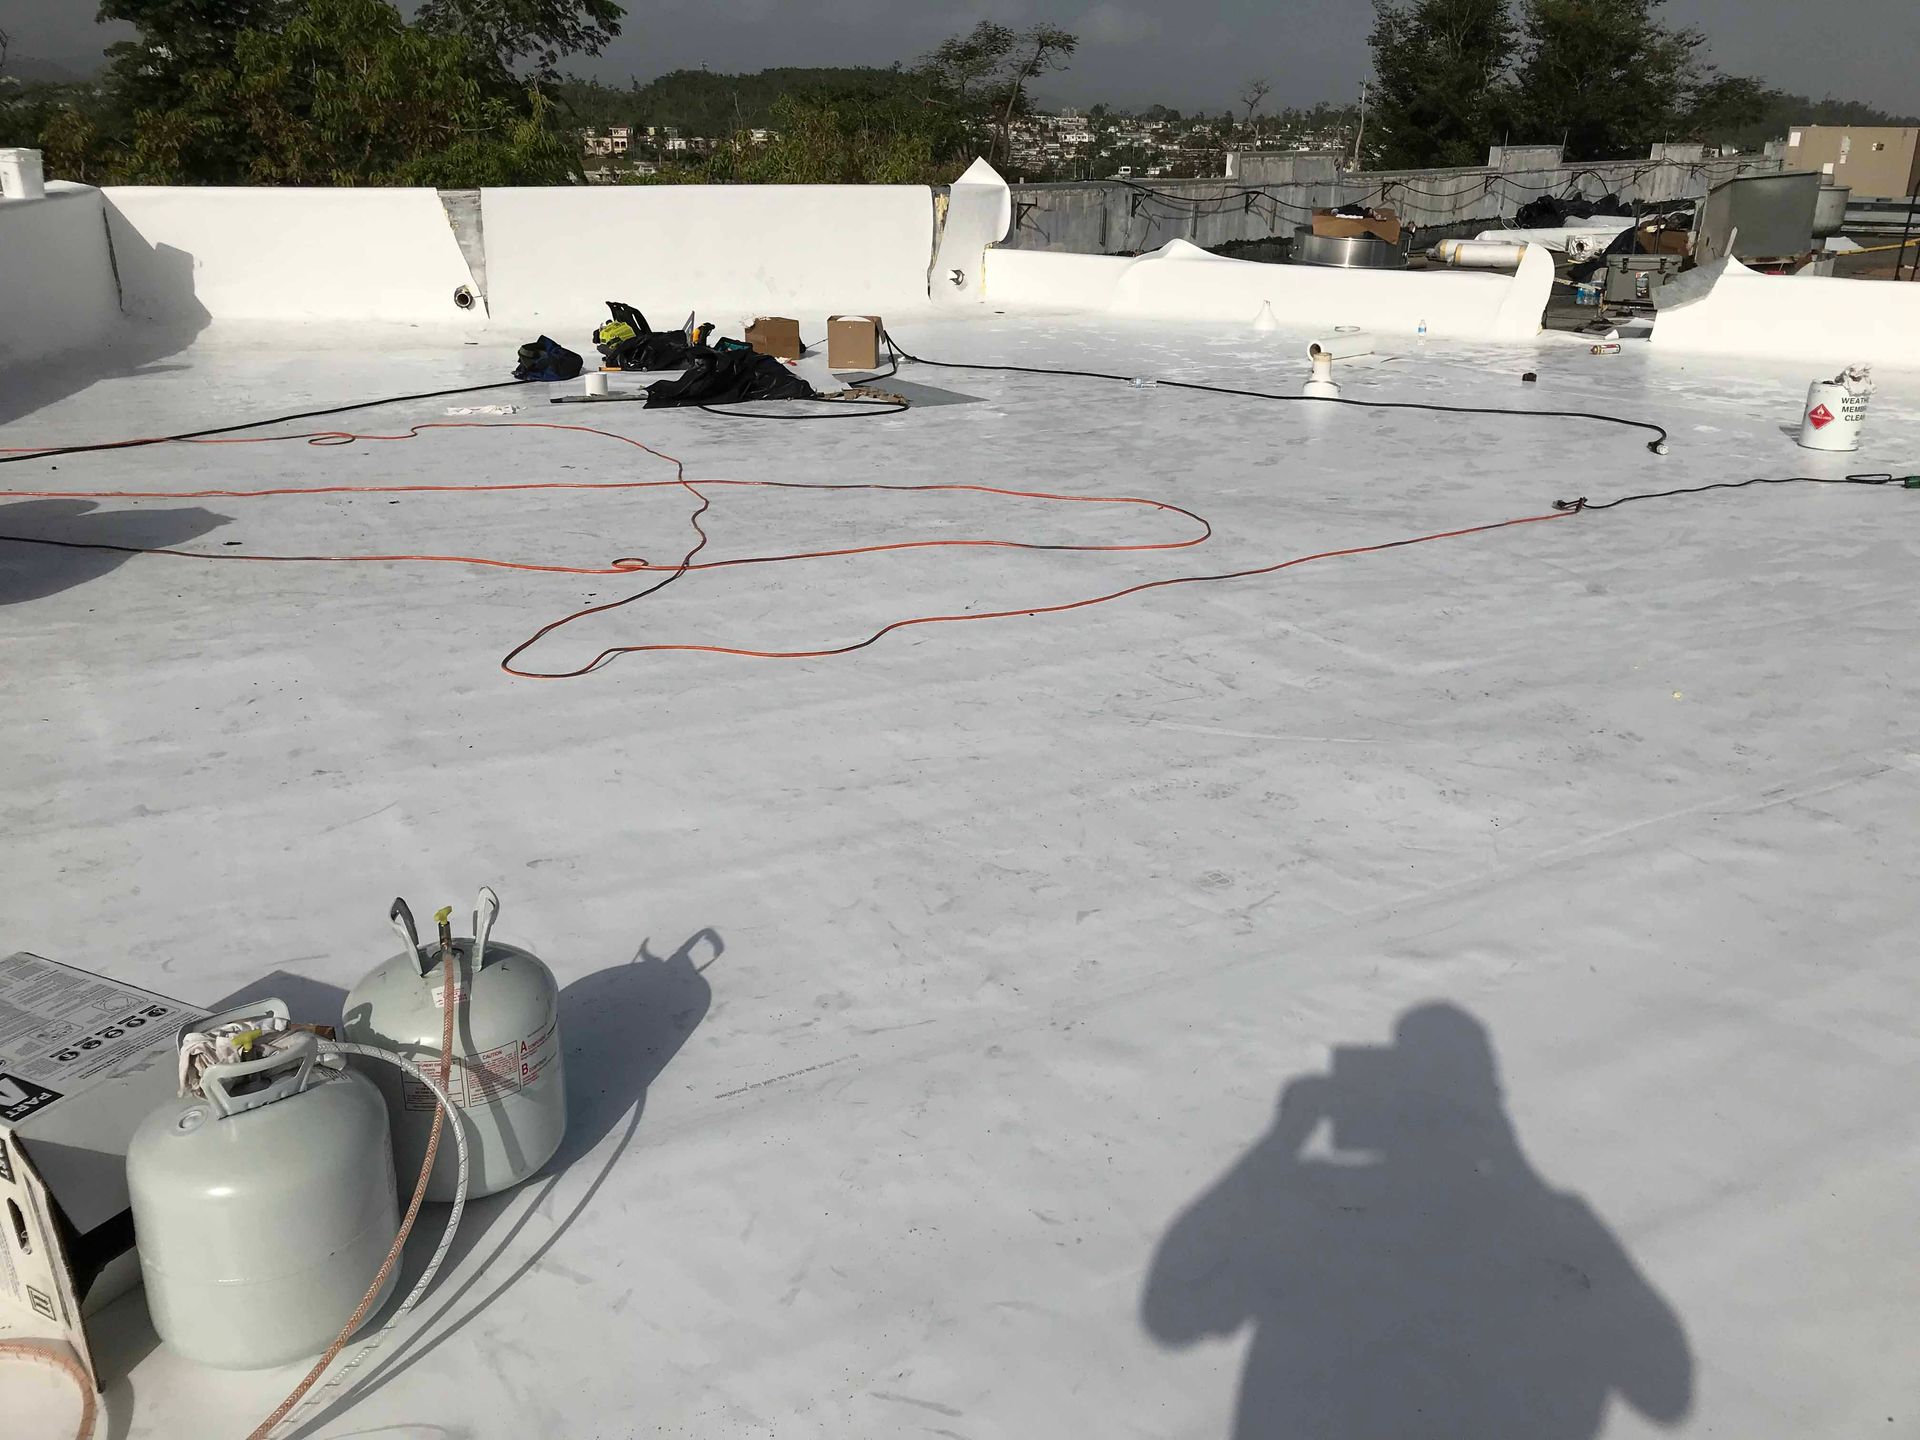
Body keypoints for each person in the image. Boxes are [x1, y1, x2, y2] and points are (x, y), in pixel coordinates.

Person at [1142, 1003, 1691, 1439]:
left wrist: (1281, 1141)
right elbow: (1667, 1393)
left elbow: (1171, 1308)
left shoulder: (1315, 1208)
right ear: (1489, 1112)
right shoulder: (1552, 1227)